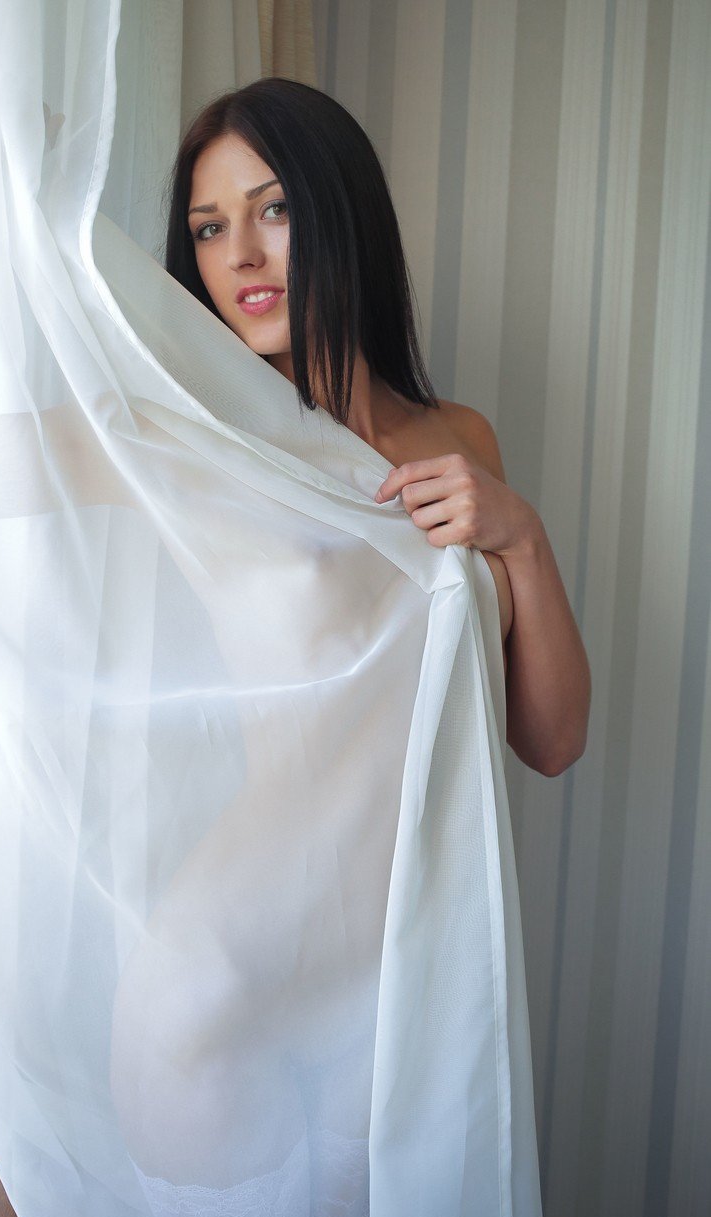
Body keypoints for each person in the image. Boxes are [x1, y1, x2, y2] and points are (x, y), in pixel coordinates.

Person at [162, 77, 591, 778]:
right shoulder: (197, 447)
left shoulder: (464, 439)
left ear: (346, 215)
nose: (239, 253)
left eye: (274, 209)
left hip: (454, 854)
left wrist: (524, 538)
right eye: (209, 227)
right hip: (282, 848)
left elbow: (554, 744)